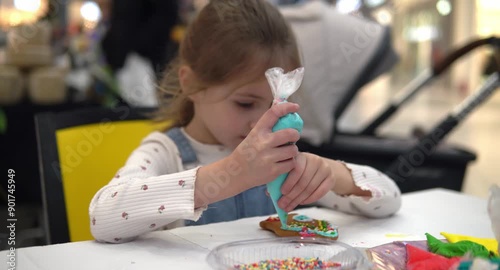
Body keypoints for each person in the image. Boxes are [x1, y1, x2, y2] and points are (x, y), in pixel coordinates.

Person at [89, 0, 401, 243]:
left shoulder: (281, 158)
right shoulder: (166, 152)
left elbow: (390, 200)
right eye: (245, 103)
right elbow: (102, 218)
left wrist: (334, 175)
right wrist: (228, 174)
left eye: (274, 105)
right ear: (191, 84)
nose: (260, 123)